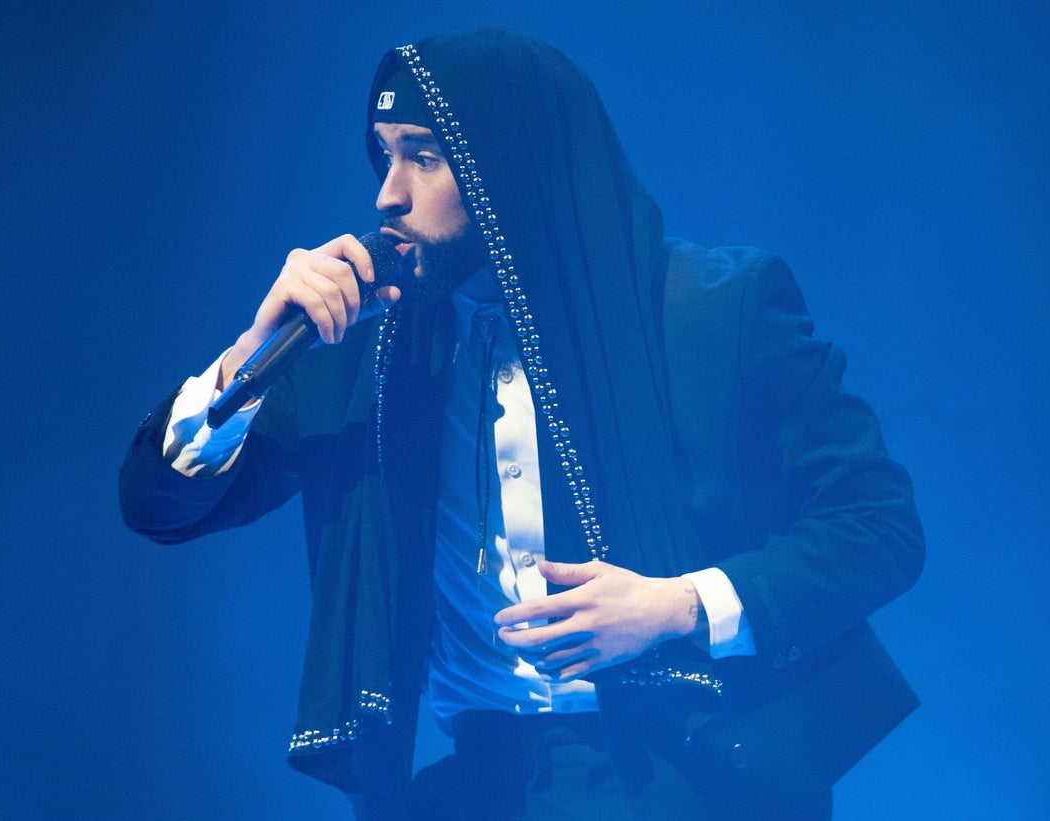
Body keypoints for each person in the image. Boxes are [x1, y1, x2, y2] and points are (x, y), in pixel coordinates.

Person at [120, 28, 925, 820]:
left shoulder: (712, 309)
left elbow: (876, 526)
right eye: (384, 153)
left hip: (692, 763)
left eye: (423, 157)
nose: (387, 193)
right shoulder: (366, 345)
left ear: (509, 166)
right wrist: (250, 354)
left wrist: (677, 604)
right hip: (483, 772)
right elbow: (158, 508)